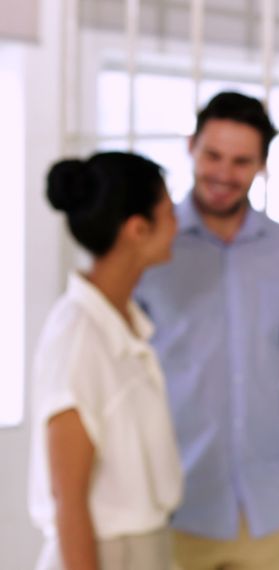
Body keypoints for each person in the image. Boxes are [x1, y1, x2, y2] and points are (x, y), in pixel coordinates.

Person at [135, 91, 279, 570]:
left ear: (261, 165)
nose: (223, 174)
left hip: (274, 503)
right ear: (190, 147)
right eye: (213, 155)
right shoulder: (150, 249)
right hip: (177, 501)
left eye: (241, 161)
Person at [29, 152, 182, 570]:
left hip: (144, 547)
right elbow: (69, 499)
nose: (178, 227)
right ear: (137, 229)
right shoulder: (78, 335)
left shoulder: (123, 322)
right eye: (169, 213)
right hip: (104, 555)